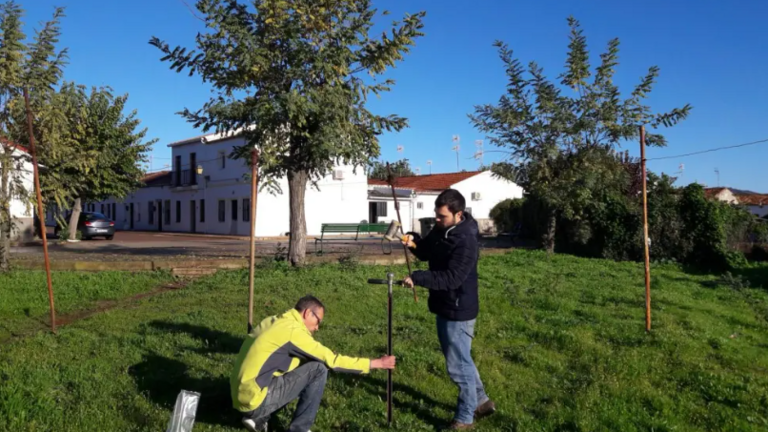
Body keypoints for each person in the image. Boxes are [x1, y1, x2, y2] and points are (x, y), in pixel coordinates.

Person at [231, 295, 396, 432]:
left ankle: (259, 419)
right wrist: (376, 363)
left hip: (240, 394)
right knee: (319, 369)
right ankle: (299, 429)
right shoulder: (293, 332)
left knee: (305, 365)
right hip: (255, 401)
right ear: (308, 313)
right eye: (318, 321)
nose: (317, 328)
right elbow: (333, 361)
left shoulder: (274, 321)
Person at [402, 189, 495, 430]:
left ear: (458, 214)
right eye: (436, 214)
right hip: (445, 304)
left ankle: (465, 416)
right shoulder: (442, 229)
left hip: (458, 308)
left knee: (458, 366)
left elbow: (452, 278)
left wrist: (418, 278)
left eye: (442, 216)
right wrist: (413, 241)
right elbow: (426, 251)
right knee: (462, 359)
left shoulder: (466, 241)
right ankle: (482, 401)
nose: (437, 219)